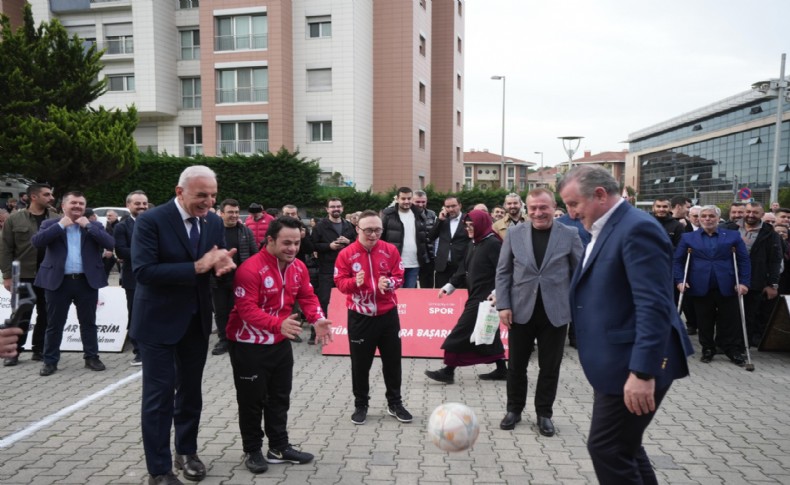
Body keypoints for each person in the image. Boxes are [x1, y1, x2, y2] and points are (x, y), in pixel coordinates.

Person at [558, 165, 693, 485]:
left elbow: (655, 306)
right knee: (625, 448)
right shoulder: (605, 228)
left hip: (634, 366)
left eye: (573, 204)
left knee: (607, 448)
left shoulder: (636, 229)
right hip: (617, 363)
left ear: (600, 195)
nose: (571, 214)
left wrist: (643, 372)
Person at [131, 165, 237, 485]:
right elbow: (144, 271)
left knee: (190, 392)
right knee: (159, 397)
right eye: (201, 195)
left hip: (196, 320)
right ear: (180, 192)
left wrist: (223, 267)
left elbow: (214, 264)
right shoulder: (152, 220)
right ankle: (160, 470)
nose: (209, 202)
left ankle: (186, 452)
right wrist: (196, 266)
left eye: (213, 195)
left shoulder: (214, 221)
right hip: (158, 322)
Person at [225, 216, 332, 474]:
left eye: (297, 243)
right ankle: (252, 449)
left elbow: (307, 296)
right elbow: (246, 309)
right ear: (270, 240)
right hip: (248, 344)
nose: (292, 249)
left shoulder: (298, 266)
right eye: (286, 243)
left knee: (279, 398)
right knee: (252, 401)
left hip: (280, 343)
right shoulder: (249, 269)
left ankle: (278, 447)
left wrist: (317, 318)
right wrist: (277, 324)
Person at [495, 188, 583, 435]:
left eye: (543, 207)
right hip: (520, 310)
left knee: (549, 367)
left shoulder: (570, 234)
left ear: (553, 207)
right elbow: (503, 272)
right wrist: (503, 305)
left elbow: (580, 274)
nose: (538, 212)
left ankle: (544, 414)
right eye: (533, 208)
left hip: (555, 313)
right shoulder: (514, 233)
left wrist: (580, 309)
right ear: (527, 208)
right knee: (516, 366)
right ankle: (514, 409)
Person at [334, 210, 412, 426]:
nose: (373, 234)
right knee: (360, 364)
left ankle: (394, 403)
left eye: (378, 230)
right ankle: (361, 404)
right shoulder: (346, 254)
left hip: (388, 315)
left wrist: (390, 284)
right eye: (368, 230)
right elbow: (340, 283)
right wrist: (354, 283)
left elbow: (399, 275)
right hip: (360, 316)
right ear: (357, 229)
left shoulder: (390, 250)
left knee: (393, 361)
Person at [32, 191, 115, 377]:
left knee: (88, 323)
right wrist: (60, 226)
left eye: (81, 204)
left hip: (86, 282)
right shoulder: (50, 224)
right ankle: (50, 361)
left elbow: (110, 243)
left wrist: (89, 227)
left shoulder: (93, 225)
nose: (77, 206)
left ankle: (91, 357)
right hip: (58, 282)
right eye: (73, 203)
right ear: (63, 206)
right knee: (54, 324)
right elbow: (37, 242)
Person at [424, 210, 506, 385]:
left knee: (460, 332)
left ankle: (448, 370)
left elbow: (504, 271)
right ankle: (502, 369)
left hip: (486, 299)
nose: (468, 229)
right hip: (475, 295)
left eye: (472, 226)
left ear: (482, 225)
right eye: (466, 226)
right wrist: (450, 286)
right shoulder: (474, 242)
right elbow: (463, 268)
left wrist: (498, 292)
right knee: (488, 333)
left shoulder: (493, 244)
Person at [674, 205, 750, 366]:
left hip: (728, 284)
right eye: (704, 216)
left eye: (711, 216)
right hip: (699, 284)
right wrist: (680, 280)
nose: (707, 219)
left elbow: (743, 260)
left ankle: (730, 349)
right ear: (699, 219)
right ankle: (708, 348)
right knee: (704, 320)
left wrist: (743, 282)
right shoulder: (689, 238)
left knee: (729, 319)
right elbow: (678, 261)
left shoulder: (732, 236)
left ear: (718, 218)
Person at [0, 183, 58, 366]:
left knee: (46, 314)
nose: (51, 198)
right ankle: (13, 352)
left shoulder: (57, 218)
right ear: (33, 196)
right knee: (20, 315)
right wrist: (7, 275)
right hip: (24, 275)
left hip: (49, 275)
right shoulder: (15, 219)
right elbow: (5, 249)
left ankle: (39, 350)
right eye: (47, 195)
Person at [211, 199, 258, 356]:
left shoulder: (245, 231)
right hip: (217, 279)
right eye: (230, 212)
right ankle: (224, 339)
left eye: (237, 212)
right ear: (221, 213)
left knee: (237, 310)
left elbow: (254, 254)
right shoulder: (212, 231)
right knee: (221, 311)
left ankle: (236, 338)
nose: (234, 215)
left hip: (239, 280)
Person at [310, 198, 356, 344]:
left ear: (342, 208)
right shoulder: (320, 226)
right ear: (327, 209)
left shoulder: (349, 226)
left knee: (347, 301)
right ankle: (315, 333)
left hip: (346, 270)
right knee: (323, 301)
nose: (335, 209)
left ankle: (345, 331)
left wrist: (349, 243)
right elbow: (312, 245)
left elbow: (358, 243)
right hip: (327, 269)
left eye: (338, 206)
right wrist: (329, 246)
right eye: (332, 207)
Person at [113, 190, 149, 366]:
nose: (142, 207)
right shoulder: (121, 227)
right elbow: (121, 251)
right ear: (128, 206)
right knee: (136, 314)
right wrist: (147, 253)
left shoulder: (154, 223)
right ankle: (139, 351)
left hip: (154, 277)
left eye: (144, 203)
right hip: (132, 278)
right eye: (137, 203)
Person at [739, 202, 782, 347]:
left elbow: (775, 261)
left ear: (762, 215)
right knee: (728, 315)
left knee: (749, 315)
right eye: (748, 211)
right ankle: (725, 344)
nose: (751, 215)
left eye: (755, 213)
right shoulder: (730, 229)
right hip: (731, 278)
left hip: (755, 280)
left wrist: (772, 284)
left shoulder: (771, 234)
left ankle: (744, 345)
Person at [380, 187, 428, 288]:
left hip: (414, 263)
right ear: (397, 199)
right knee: (396, 294)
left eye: (409, 198)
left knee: (410, 295)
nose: (406, 201)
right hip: (394, 263)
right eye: (403, 199)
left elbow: (424, 238)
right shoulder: (388, 215)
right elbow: (381, 238)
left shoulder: (419, 214)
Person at [430, 196, 470, 288]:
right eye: (448, 207)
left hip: (460, 266)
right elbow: (431, 236)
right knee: (441, 297)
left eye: (453, 206)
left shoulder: (467, 220)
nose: (451, 209)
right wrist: (439, 220)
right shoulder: (442, 220)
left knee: (460, 296)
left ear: (460, 206)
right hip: (443, 267)